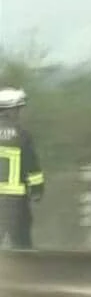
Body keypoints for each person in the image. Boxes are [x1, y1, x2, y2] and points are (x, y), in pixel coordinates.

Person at [0, 88, 44, 249]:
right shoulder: (22, 135)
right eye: (17, 109)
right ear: (10, 110)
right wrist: (37, 190)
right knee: (22, 247)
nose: (19, 113)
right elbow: (32, 167)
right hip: (15, 203)